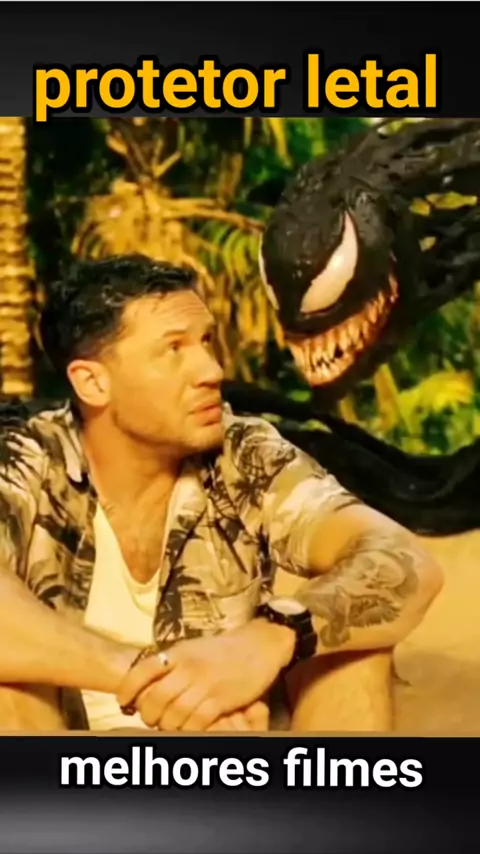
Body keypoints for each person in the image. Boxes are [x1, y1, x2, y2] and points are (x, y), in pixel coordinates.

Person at [0, 255, 443, 733]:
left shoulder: (243, 452)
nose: (210, 370)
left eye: (206, 341)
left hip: (229, 748)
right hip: (68, 755)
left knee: (352, 648)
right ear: (93, 382)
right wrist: (158, 678)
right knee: (10, 683)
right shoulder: (24, 458)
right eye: (173, 349)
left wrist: (273, 638)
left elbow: (404, 561)